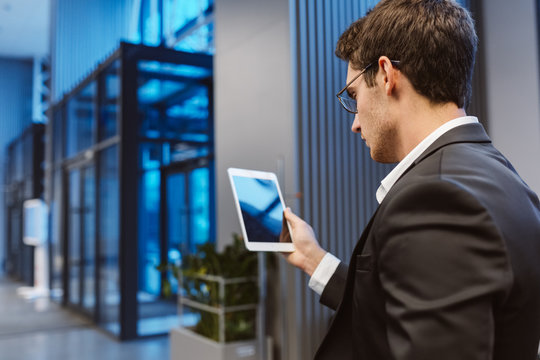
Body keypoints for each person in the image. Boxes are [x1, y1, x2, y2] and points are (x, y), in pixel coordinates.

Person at [281, 0, 540, 359]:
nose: (355, 122)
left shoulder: (436, 199)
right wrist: (314, 259)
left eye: (354, 96)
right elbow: (396, 309)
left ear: (386, 76)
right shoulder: (498, 175)